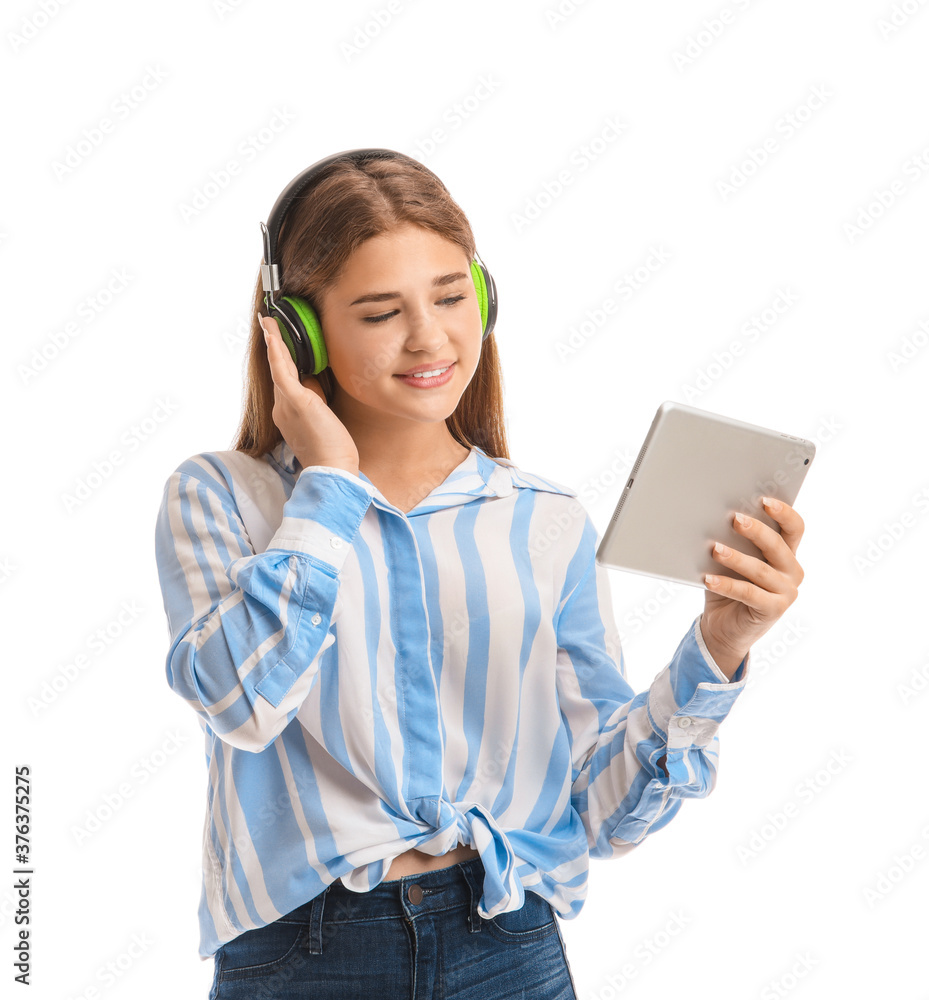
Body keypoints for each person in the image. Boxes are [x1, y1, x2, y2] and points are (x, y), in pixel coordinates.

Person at [154, 148, 806, 999]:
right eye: (381, 311)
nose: (430, 337)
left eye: (452, 297)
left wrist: (718, 648)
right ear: (297, 333)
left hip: (508, 945)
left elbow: (600, 817)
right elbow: (240, 703)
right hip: (306, 952)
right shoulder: (221, 499)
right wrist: (328, 491)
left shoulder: (544, 519)